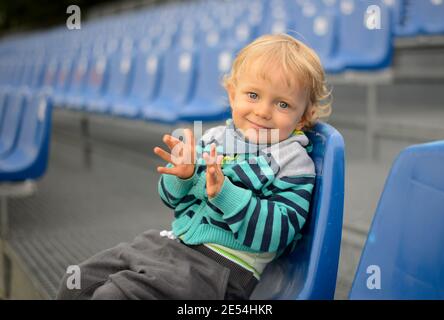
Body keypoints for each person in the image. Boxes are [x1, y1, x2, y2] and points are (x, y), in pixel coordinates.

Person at [56, 33, 331, 300]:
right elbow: (171, 199)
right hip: (172, 242)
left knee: (113, 296)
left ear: (303, 116)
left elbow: (276, 234)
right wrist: (183, 177)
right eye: (253, 95)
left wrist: (225, 193)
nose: (262, 111)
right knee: (77, 282)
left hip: (221, 268)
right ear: (233, 94)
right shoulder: (214, 138)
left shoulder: (293, 162)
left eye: (282, 103)